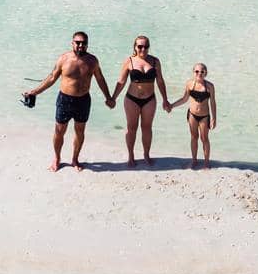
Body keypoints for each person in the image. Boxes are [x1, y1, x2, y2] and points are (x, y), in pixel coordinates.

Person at [23, 31, 111, 172]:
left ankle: (75, 159)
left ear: (87, 45)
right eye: (77, 42)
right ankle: (57, 158)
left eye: (83, 43)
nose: (80, 45)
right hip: (65, 99)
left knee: (80, 131)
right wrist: (35, 92)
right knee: (59, 131)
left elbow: (100, 79)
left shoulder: (92, 61)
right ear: (72, 43)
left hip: (83, 100)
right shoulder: (64, 59)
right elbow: (52, 78)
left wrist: (108, 97)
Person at [112, 34, 168, 167]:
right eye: (140, 46)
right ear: (135, 47)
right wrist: (113, 98)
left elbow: (160, 81)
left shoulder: (155, 61)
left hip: (150, 99)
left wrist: (165, 99)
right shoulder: (129, 61)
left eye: (146, 46)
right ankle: (131, 156)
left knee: (147, 128)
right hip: (132, 99)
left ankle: (146, 155)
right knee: (131, 128)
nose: (143, 49)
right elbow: (121, 81)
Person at [167, 63, 216, 168]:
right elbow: (184, 99)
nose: (199, 73)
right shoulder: (190, 84)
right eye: (197, 71)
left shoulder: (210, 86)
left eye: (202, 72)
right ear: (193, 72)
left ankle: (206, 163)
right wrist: (172, 105)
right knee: (194, 137)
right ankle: (194, 160)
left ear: (206, 73)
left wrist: (214, 118)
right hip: (192, 115)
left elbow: (212, 102)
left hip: (204, 116)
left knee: (204, 138)